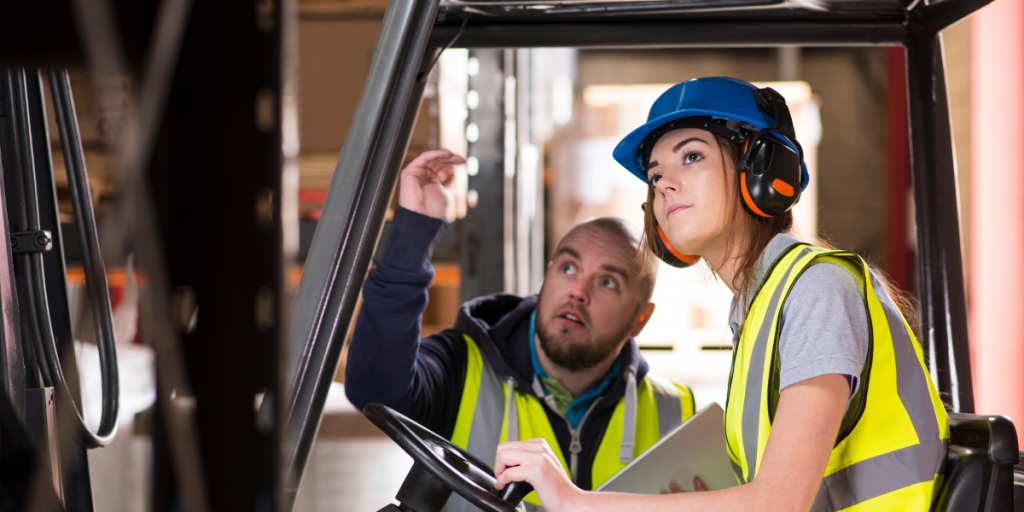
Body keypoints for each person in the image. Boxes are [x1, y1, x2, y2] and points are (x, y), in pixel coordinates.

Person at [492, 77, 949, 512]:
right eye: (654, 176)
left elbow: (778, 503)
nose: (664, 184)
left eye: (691, 157)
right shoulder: (758, 310)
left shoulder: (818, 290)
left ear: (762, 168)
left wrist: (575, 501)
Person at [345, 150, 696, 511]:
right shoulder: (461, 368)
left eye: (606, 282)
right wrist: (413, 233)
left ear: (641, 318)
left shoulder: (677, 415)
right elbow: (374, 389)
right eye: (568, 268)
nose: (578, 291)